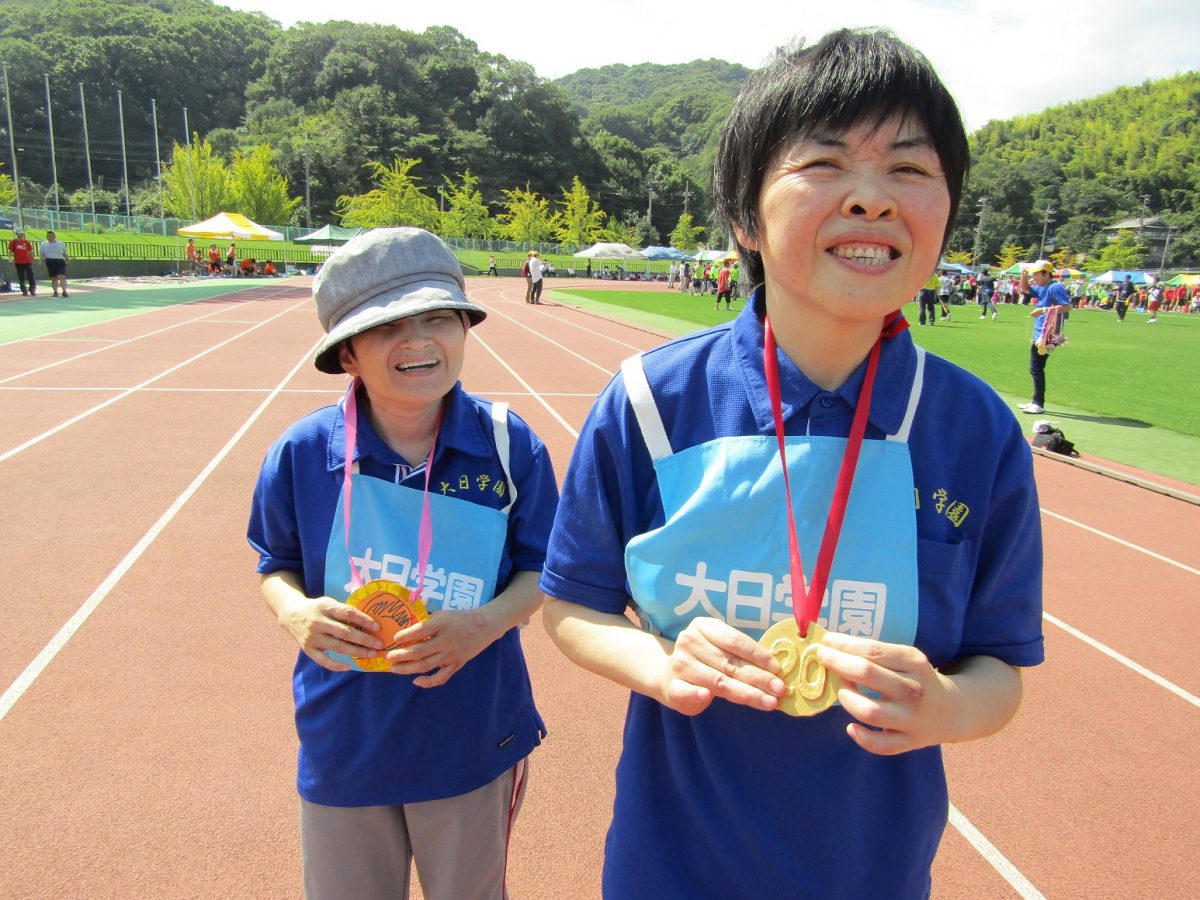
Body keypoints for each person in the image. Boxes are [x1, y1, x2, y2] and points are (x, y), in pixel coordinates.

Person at [539, 29, 1043, 899]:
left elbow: (1001, 667)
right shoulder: (652, 404)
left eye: (910, 171)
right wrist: (664, 665)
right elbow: (570, 606)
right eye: (827, 165)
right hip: (672, 867)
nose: (873, 200)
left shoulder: (975, 431)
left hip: (872, 871)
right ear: (745, 216)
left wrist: (950, 708)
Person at [247, 227, 558, 900]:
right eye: (389, 326)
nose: (419, 342)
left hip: (469, 740)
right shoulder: (303, 453)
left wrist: (484, 624)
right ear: (348, 354)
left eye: (438, 318)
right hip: (345, 740)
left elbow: (544, 571)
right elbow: (275, 566)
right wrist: (295, 612)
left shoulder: (510, 447)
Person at [1017, 260, 1071, 415]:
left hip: (1048, 333)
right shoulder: (1042, 287)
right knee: (1036, 368)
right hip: (1041, 332)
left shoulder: (1054, 287)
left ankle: (1038, 403)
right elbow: (1025, 289)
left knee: (1036, 368)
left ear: (1046, 273)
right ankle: (1035, 400)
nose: (1034, 277)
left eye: (1036, 274)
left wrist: (1043, 310)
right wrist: (1024, 274)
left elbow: (1068, 306)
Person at [39, 230, 69, 297]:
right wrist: (41, 260)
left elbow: (65, 253)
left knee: (62, 276)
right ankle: (55, 291)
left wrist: (67, 260)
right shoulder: (44, 244)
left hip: (60, 261)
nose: (49, 237)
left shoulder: (61, 244)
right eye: (48, 236)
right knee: (54, 277)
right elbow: (42, 254)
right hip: (50, 261)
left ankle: (64, 291)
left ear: (54, 236)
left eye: (50, 236)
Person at [8, 229, 36, 296]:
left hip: (27, 261)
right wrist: (10, 258)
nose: (21, 235)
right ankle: (24, 290)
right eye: (20, 234)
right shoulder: (13, 242)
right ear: (17, 234)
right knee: (21, 276)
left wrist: (33, 259)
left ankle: (32, 289)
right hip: (18, 262)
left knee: (30, 275)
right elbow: (10, 251)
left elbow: (30, 251)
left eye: (22, 234)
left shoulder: (26, 242)